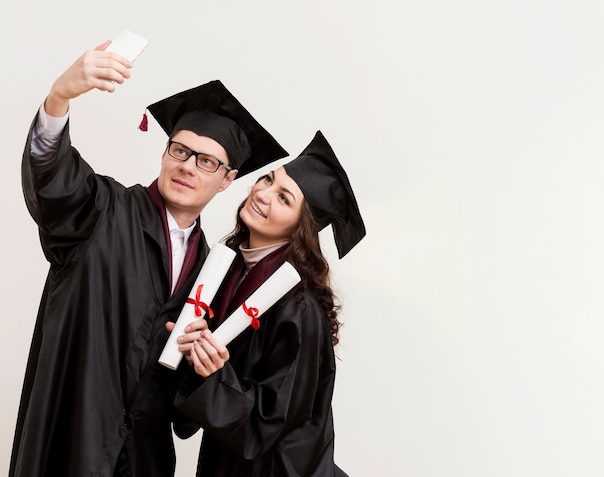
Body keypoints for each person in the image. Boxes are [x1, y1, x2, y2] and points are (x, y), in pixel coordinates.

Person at [10, 40, 288, 477]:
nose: (188, 166)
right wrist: (58, 98)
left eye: (206, 161)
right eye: (179, 150)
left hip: (144, 460)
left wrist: (205, 368)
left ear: (228, 180)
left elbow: (181, 417)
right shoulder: (102, 211)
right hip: (71, 444)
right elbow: (53, 177)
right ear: (164, 152)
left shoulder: (211, 275)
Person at [169, 130, 365, 476]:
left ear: (299, 227)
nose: (262, 193)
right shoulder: (226, 270)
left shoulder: (299, 307)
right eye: (267, 179)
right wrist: (187, 352)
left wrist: (214, 373)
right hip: (227, 460)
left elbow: (272, 421)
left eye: (284, 198)